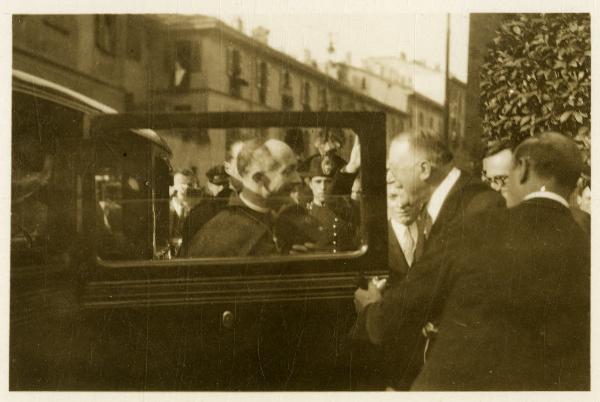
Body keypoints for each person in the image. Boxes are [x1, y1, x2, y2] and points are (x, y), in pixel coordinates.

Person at [411, 132, 590, 390]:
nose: (493, 189)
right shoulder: (580, 232)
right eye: (488, 179)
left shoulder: (483, 228)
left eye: (502, 180)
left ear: (524, 170)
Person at [352, 131, 504, 390]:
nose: (391, 177)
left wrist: (373, 313)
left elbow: (426, 285)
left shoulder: (474, 208)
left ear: (424, 169)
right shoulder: (463, 200)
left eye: (394, 169)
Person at [185, 138, 300, 257]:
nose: (298, 179)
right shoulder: (224, 235)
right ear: (258, 178)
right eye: (288, 171)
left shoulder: (282, 219)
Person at [181, 142, 244, 255]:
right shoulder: (199, 211)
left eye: (223, 184)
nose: (220, 188)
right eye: (218, 185)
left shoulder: (198, 212)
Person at [168, 170, 194, 256]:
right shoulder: (167, 208)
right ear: (174, 186)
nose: (186, 187)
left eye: (189, 184)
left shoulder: (193, 208)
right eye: (182, 183)